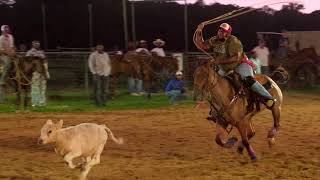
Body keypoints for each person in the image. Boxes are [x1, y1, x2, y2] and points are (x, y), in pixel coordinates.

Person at [195, 22, 276, 107]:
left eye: (223, 31)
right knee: (210, 79)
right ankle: (208, 102)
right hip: (224, 68)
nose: (220, 32)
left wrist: (218, 62)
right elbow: (201, 45)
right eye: (219, 30)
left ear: (228, 33)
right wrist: (199, 31)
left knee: (248, 80)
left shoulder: (234, 41)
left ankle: (268, 98)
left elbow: (235, 58)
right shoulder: (214, 40)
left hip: (240, 65)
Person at [26, 41, 48, 107]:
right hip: (35, 72)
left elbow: (45, 60)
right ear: (32, 45)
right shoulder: (29, 52)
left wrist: (46, 71)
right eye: (35, 44)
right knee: (35, 87)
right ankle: (35, 103)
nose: (37, 45)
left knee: (43, 88)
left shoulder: (42, 52)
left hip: (42, 72)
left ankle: (42, 103)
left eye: (38, 44)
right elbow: (27, 60)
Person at [0, 25, 15, 103]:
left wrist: (12, 53)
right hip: (3, 55)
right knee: (7, 63)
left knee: (19, 60)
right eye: (4, 30)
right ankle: (3, 79)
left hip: (10, 54)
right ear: (2, 31)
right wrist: (9, 54)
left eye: (7, 29)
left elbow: (12, 46)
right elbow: (1, 50)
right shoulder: (1, 38)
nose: (6, 31)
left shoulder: (11, 37)